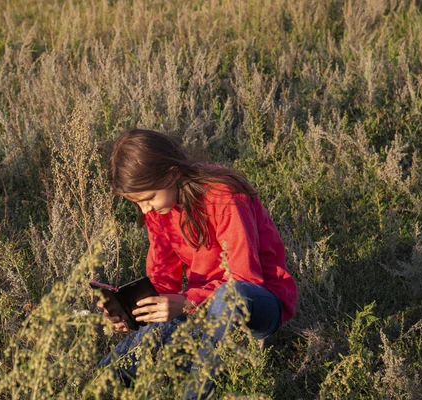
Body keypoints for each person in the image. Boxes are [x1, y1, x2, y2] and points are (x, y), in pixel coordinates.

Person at [98, 129, 298, 399]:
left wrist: (188, 303)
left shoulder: (223, 196)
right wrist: (132, 311)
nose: (146, 210)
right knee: (109, 373)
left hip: (259, 302)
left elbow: (244, 280)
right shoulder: (161, 209)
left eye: (148, 198)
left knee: (228, 297)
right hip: (203, 306)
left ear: (170, 173)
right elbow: (162, 281)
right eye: (137, 203)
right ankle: (102, 383)